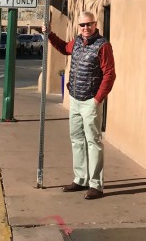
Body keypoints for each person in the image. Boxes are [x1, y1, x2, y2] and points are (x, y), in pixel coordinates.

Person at [44, 10, 115, 200]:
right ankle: (81, 178)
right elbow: (63, 47)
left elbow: (109, 74)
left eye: (88, 24)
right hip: (75, 99)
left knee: (93, 142)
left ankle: (95, 185)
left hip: (90, 101)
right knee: (77, 140)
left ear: (95, 25)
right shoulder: (76, 43)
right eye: (82, 25)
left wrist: (98, 98)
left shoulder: (103, 46)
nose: (85, 28)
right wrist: (49, 34)